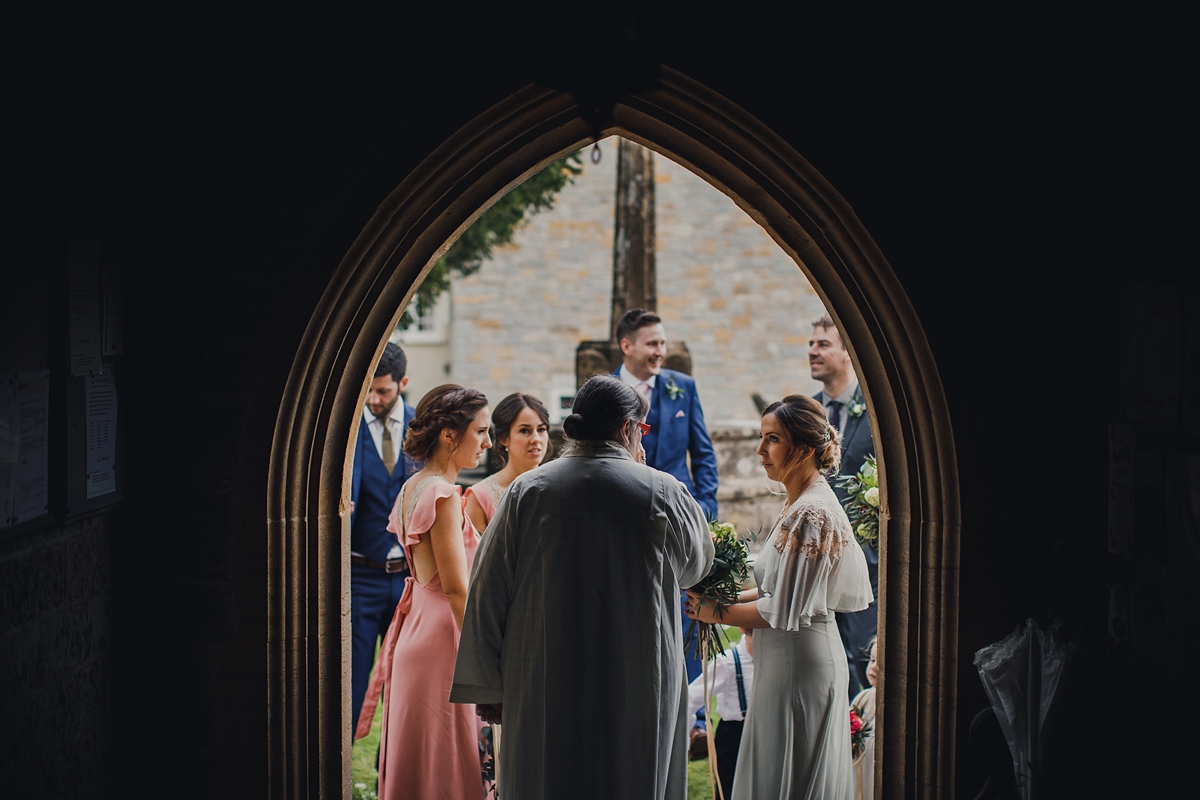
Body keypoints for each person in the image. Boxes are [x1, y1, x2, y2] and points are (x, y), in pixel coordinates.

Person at [450, 375, 714, 800]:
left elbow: (487, 590)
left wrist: (488, 685)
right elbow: (696, 566)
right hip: (637, 670)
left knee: (550, 772)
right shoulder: (663, 491)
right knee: (634, 771)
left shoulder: (529, 491)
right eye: (642, 430)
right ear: (628, 428)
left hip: (544, 672)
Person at [687, 394, 873, 800]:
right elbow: (784, 589)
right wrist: (725, 593)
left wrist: (714, 611)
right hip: (784, 662)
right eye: (760, 437)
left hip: (800, 665)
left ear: (804, 449)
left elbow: (780, 610)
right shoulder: (799, 502)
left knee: (791, 776)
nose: (759, 450)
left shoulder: (812, 512)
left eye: (772, 439)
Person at [355, 384, 492, 800]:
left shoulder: (413, 485)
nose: (487, 442)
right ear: (450, 435)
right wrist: (485, 656)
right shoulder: (444, 496)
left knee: (426, 755)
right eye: (481, 431)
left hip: (417, 626)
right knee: (451, 758)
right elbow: (455, 589)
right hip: (444, 638)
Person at [612, 308, 720, 742]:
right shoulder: (604, 389)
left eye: (662, 343)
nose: (661, 351)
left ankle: (692, 719)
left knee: (687, 610)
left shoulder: (683, 388)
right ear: (627, 346)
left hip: (678, 524)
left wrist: (704, 513)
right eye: (652, 343)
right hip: (622, 523)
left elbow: (704, 454)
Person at [348, 342, 420, 726]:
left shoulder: (421, 428)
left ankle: (391, 771)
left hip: (410, 579)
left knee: (406, 686)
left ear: (402, 383)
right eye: (369, 391)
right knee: (352, 682)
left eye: (384, 391)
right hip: (361, 576)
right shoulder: (344, 430)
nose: (374, 399)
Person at [809, 314, 878, 697]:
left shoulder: (876, 411)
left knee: (860, 656)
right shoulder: (806, 411)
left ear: (848, 353)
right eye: (811, 344)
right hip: (814, 558)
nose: (813, 351)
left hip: (865, 562)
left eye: (823, 344)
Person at [464, 392, 551, 532]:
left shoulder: (558, 488)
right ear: (504, 438)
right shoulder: (480, 497)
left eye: (541, 429)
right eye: (524, 430)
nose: (536, 439)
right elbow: (475, 553)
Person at [686, 629, 754, 800]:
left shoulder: (774, 660)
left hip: (762, 732)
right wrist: (686, 739)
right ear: (742, 629)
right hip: (733, 735)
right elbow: (690, 699)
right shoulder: (728, 662)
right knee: (729, 787)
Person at [851, 637, 878, 800]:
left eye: (881, 661)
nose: (873, 667)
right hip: (860, 765)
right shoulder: (863, 698)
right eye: (872, 660)